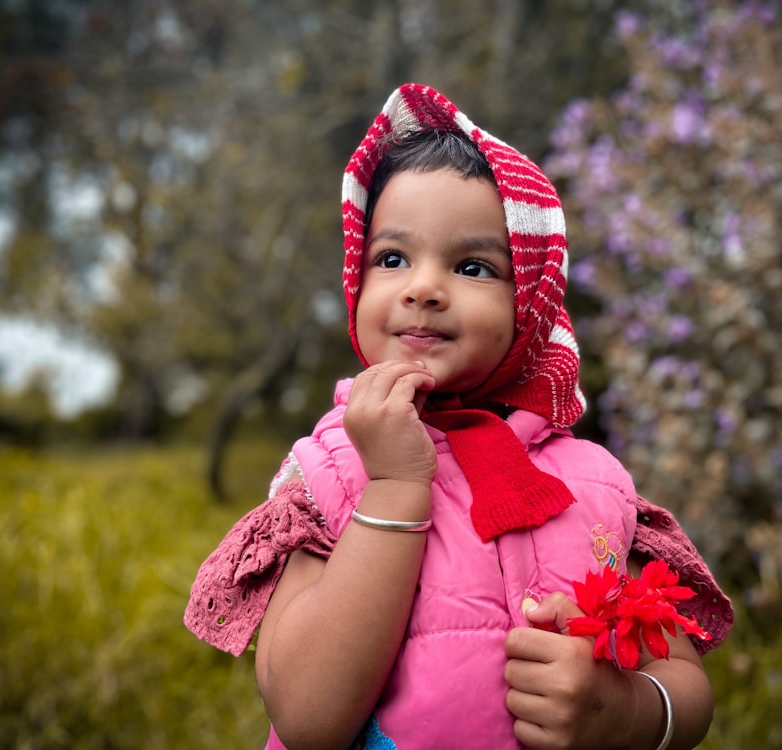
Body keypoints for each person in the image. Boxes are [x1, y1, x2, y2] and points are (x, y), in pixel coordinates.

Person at [184, 83, 733, 750]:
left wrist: (626, 713)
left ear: (529, 304)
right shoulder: (330, 471)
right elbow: (306, 718)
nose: (422, 287)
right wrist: (392, 486)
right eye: (392, 258)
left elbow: (685, 681)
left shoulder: (596, 483)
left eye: (472, 266)